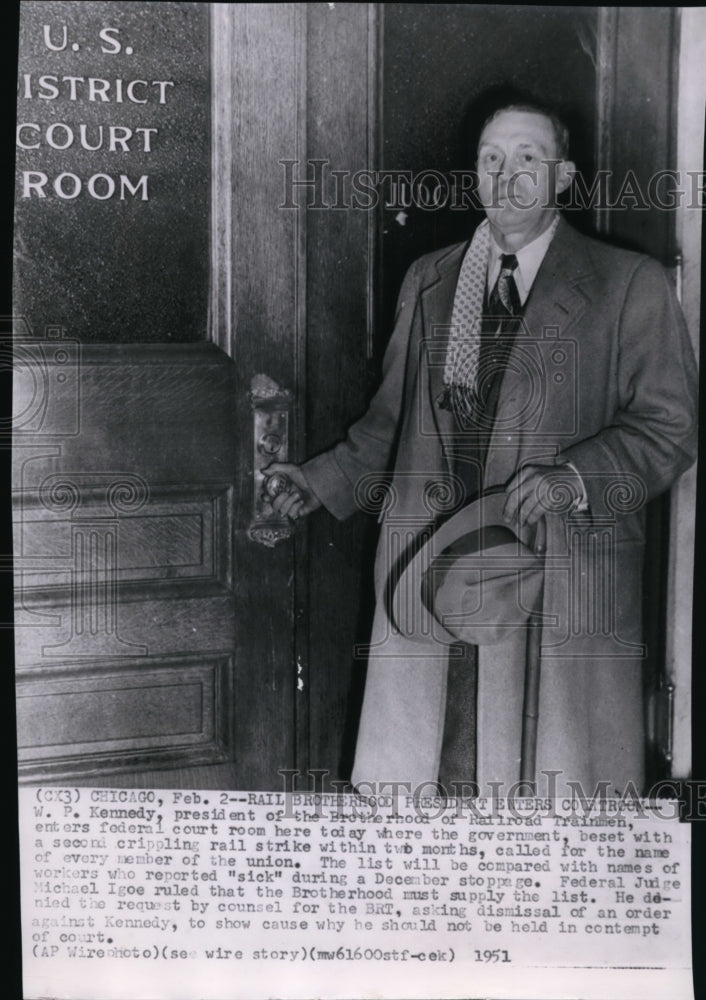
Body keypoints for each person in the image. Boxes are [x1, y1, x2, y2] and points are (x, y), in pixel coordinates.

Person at [266, 102, 698, 799]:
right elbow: (391, 423)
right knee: (436, 777)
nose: (508, 174)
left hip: (552, 573)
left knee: (544, 799)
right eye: (491, 158)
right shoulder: (432, 279)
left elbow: (670, 428)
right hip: (432, 569)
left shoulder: (627, 285)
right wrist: (317, 481)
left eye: (528, 156)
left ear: (564, 177)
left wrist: (576, 477)